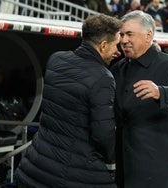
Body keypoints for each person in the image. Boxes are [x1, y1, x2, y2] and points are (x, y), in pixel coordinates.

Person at [15, 14, 122, 187]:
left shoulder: (56, 59)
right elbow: (103, 135)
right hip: (74, 173)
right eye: (115, 45)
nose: (118, 51)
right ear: (103, 46)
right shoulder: (103, 78)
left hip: (35, 165)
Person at [110, 10, 168, 188]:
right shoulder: (118, 68)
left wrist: (161, 92)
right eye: (121, 34)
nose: (123, 40)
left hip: (157, 169)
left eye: (129, 34)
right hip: (124, 166)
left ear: (148, 35)